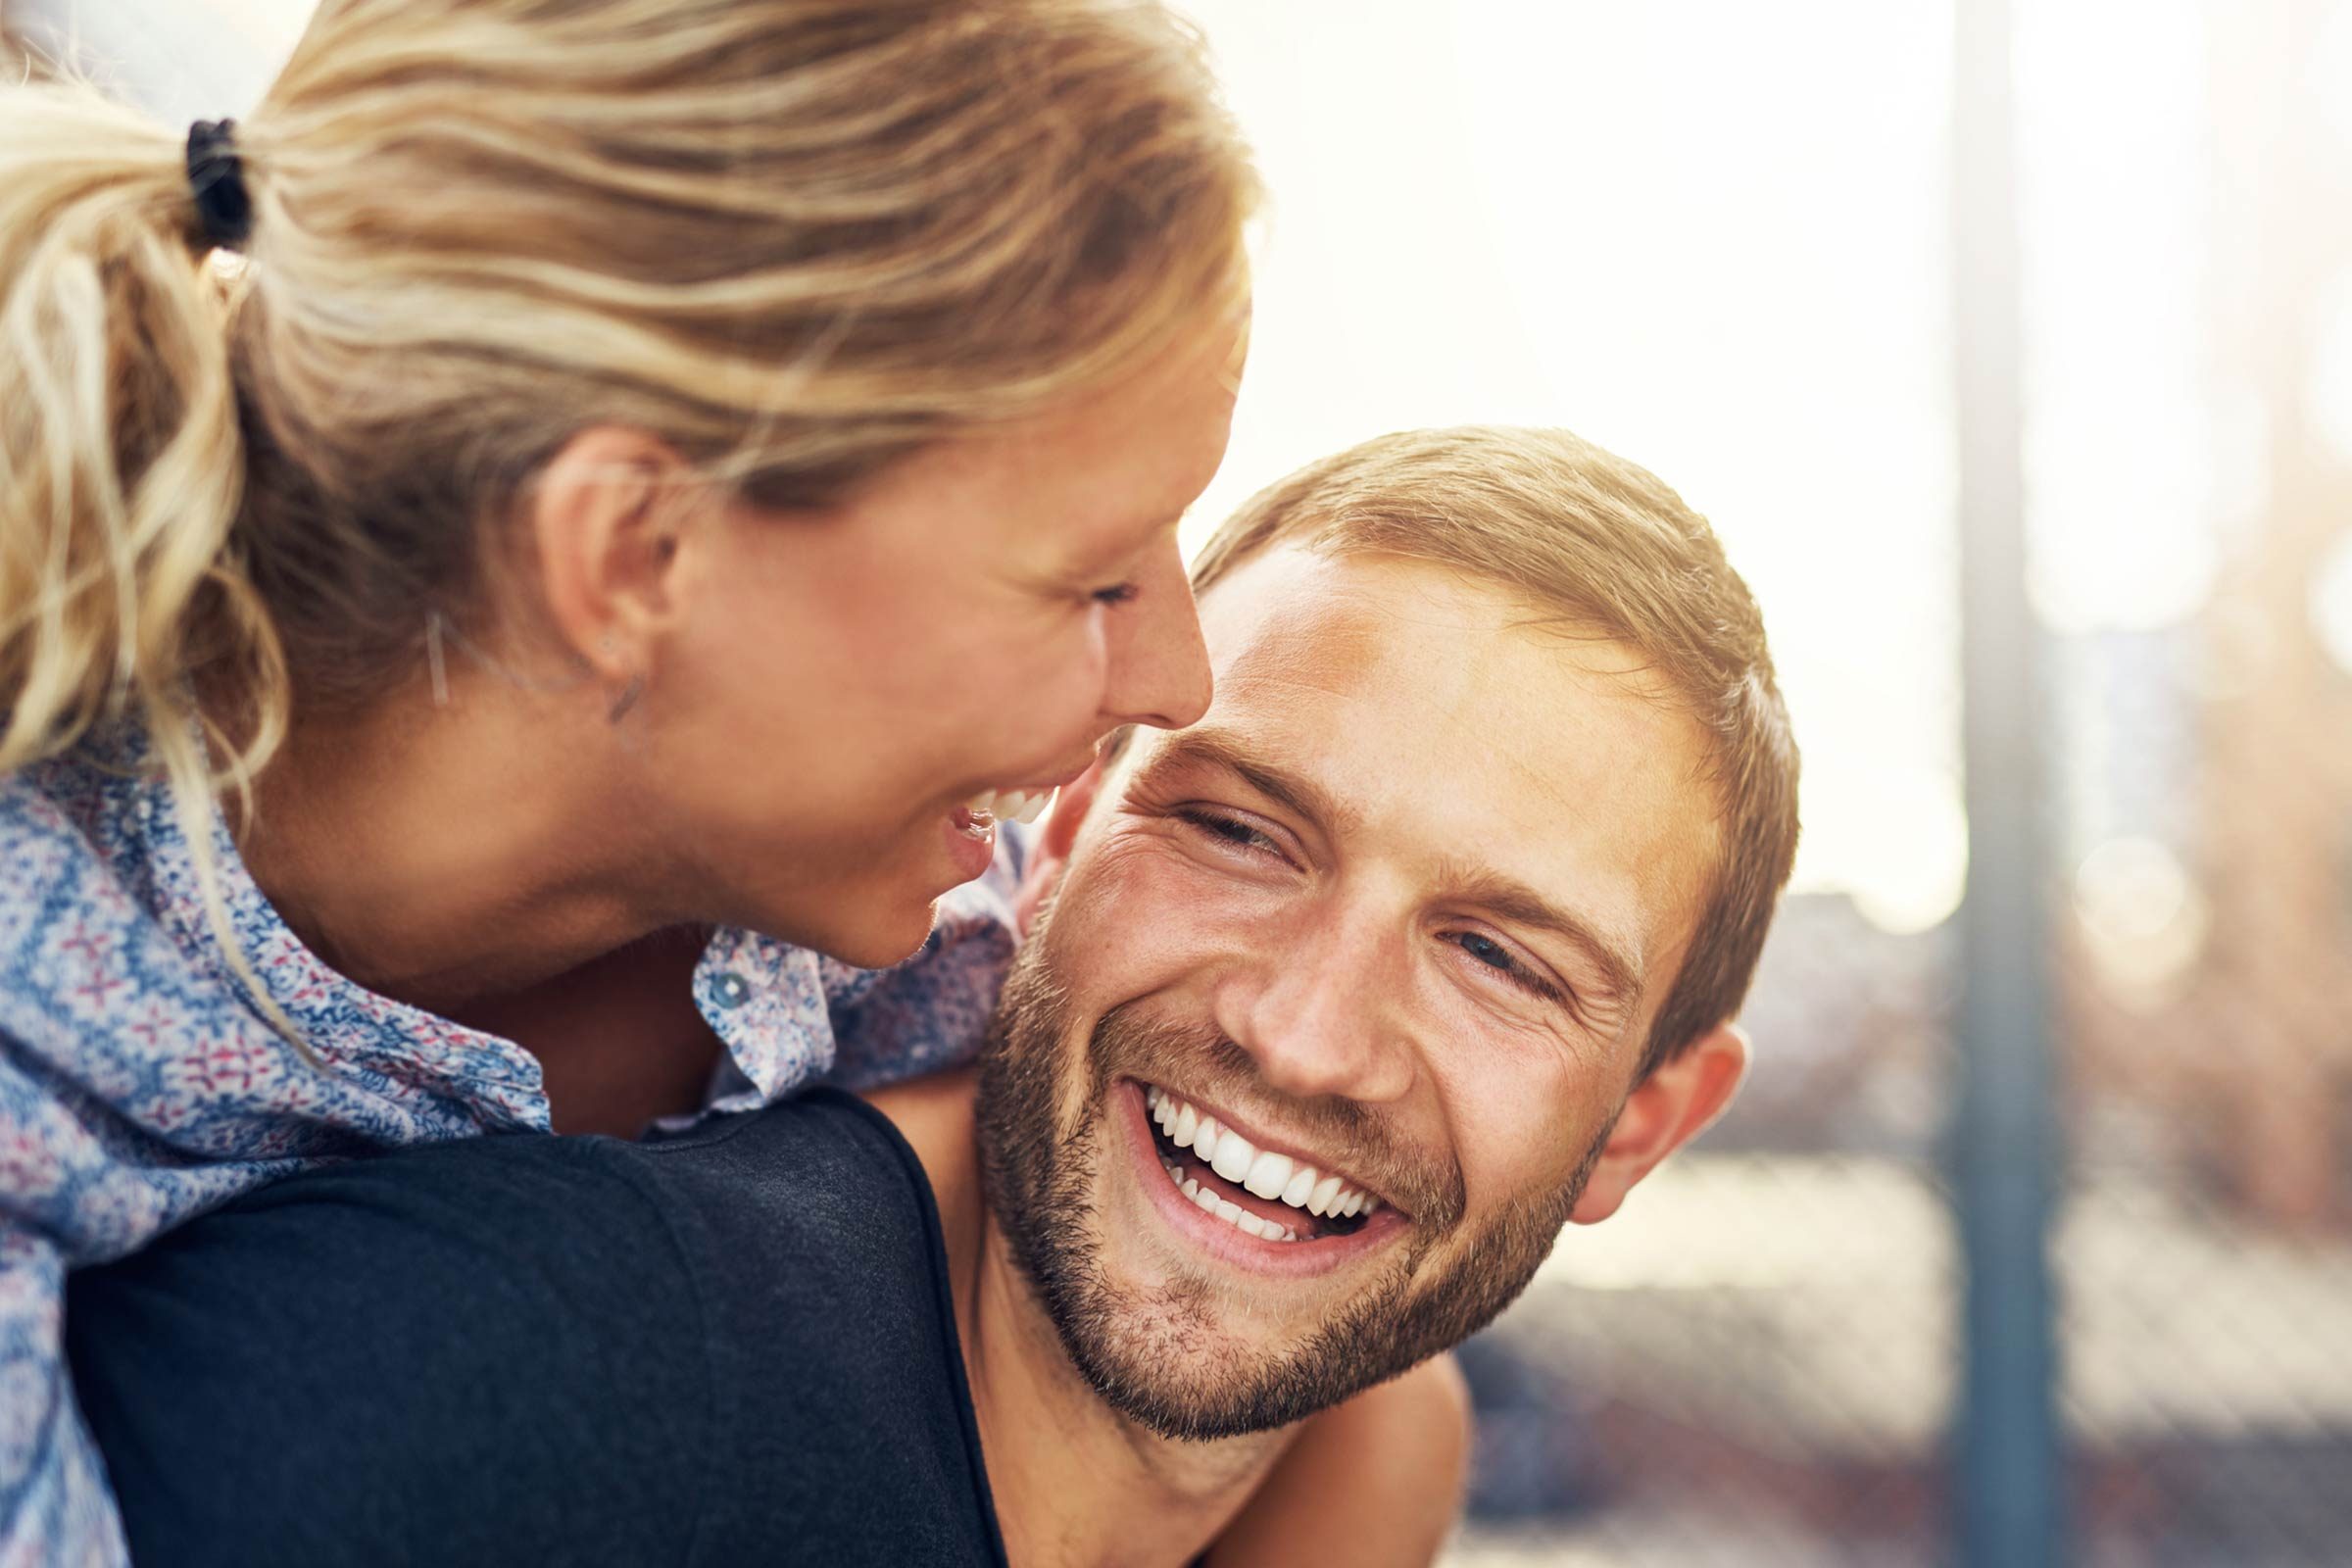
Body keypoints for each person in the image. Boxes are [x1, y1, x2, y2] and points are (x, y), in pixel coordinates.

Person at [0, 0, 1323, 1559]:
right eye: (1094, 579)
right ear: (631, 553)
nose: (1177, 679)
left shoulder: (922, 936)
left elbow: (1361, 1392)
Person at [68, 426, 1805, 1566]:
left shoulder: (1355, 1442)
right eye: (1241, 832)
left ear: (1640, 1123)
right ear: (1052, 836)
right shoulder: (489, 1384)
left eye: (1497, 956)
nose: (1304, 1034)